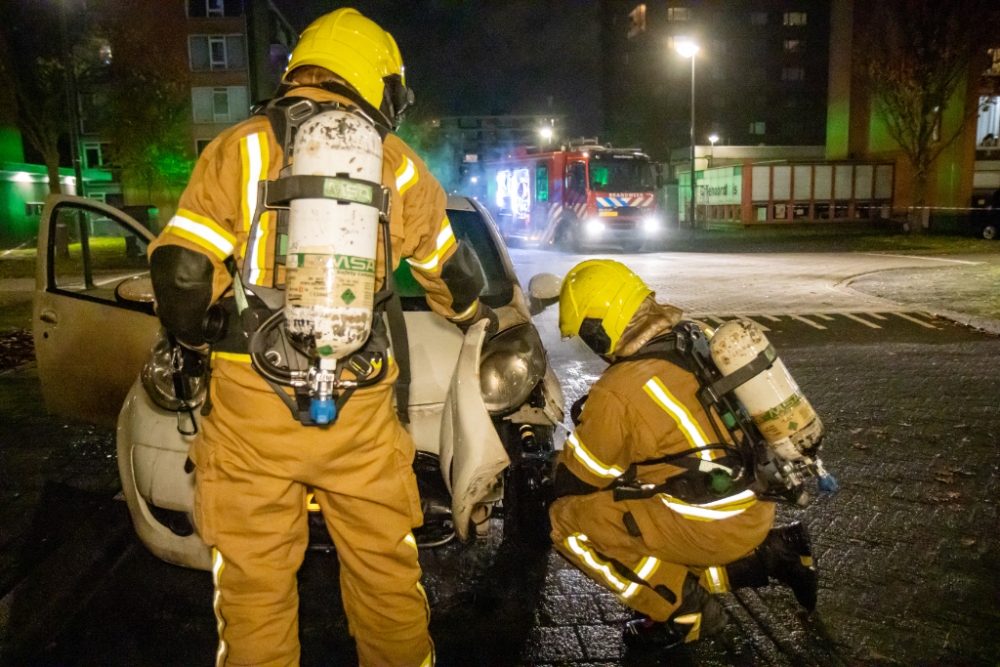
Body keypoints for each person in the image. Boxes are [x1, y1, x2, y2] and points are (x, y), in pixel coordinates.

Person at [148, 9, 494, 666]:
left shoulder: (243, 147)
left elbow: (183, 272)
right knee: (385, 571)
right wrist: (475, 314)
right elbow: (456, 276)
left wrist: (200, 340)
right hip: (358, 405)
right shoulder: (396, 165)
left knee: (254, 588)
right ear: (380, 84)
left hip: (251, 409)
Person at [548, 259, 818, 652]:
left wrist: (550, 465)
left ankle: (682, 613)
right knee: (647, 520)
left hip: (712, 526)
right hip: (756, 505)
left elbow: (583, 477)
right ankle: (778, 554)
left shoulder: (618, 389)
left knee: (569, 521)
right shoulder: (698, 336)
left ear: (599, 328)